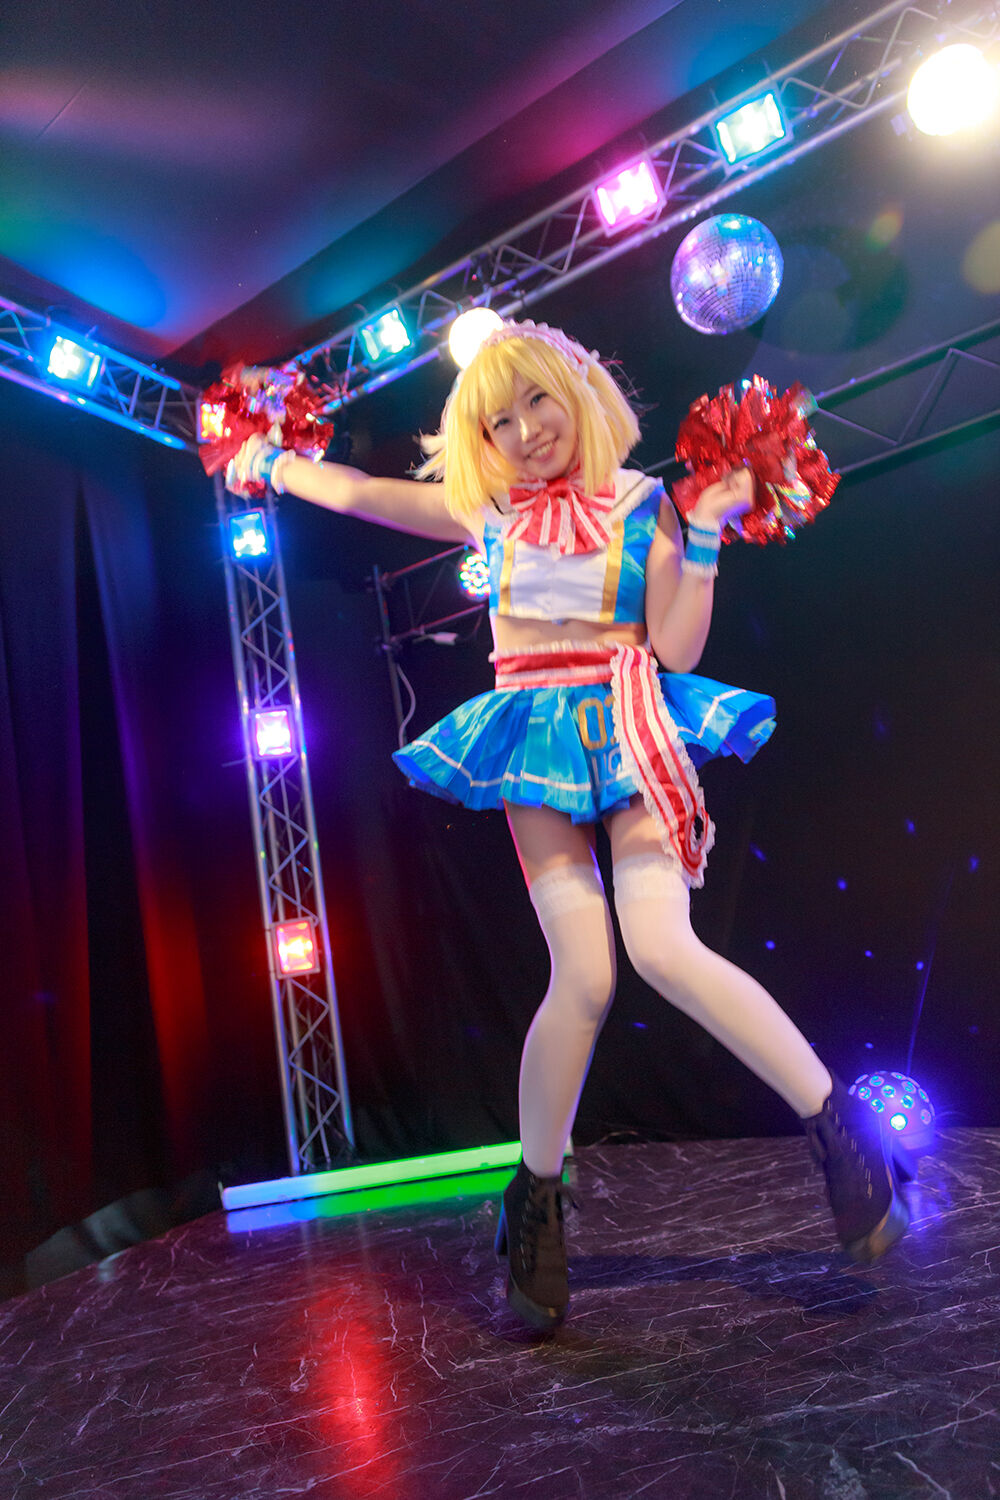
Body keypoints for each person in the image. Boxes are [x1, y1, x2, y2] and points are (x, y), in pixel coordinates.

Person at [226, 320, 910, 1331]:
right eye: (498, 421)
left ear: (579, 389)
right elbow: (366, 495)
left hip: (631, 727)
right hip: (533, 745)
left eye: (537, 400)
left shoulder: (642, 503)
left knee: (662, 949)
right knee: (584, 976)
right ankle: (536, 1197)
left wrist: (705, 530)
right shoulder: (489, 508)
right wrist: (275, 464)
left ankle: (842, 1129)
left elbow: (677, 648)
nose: (525, 430)